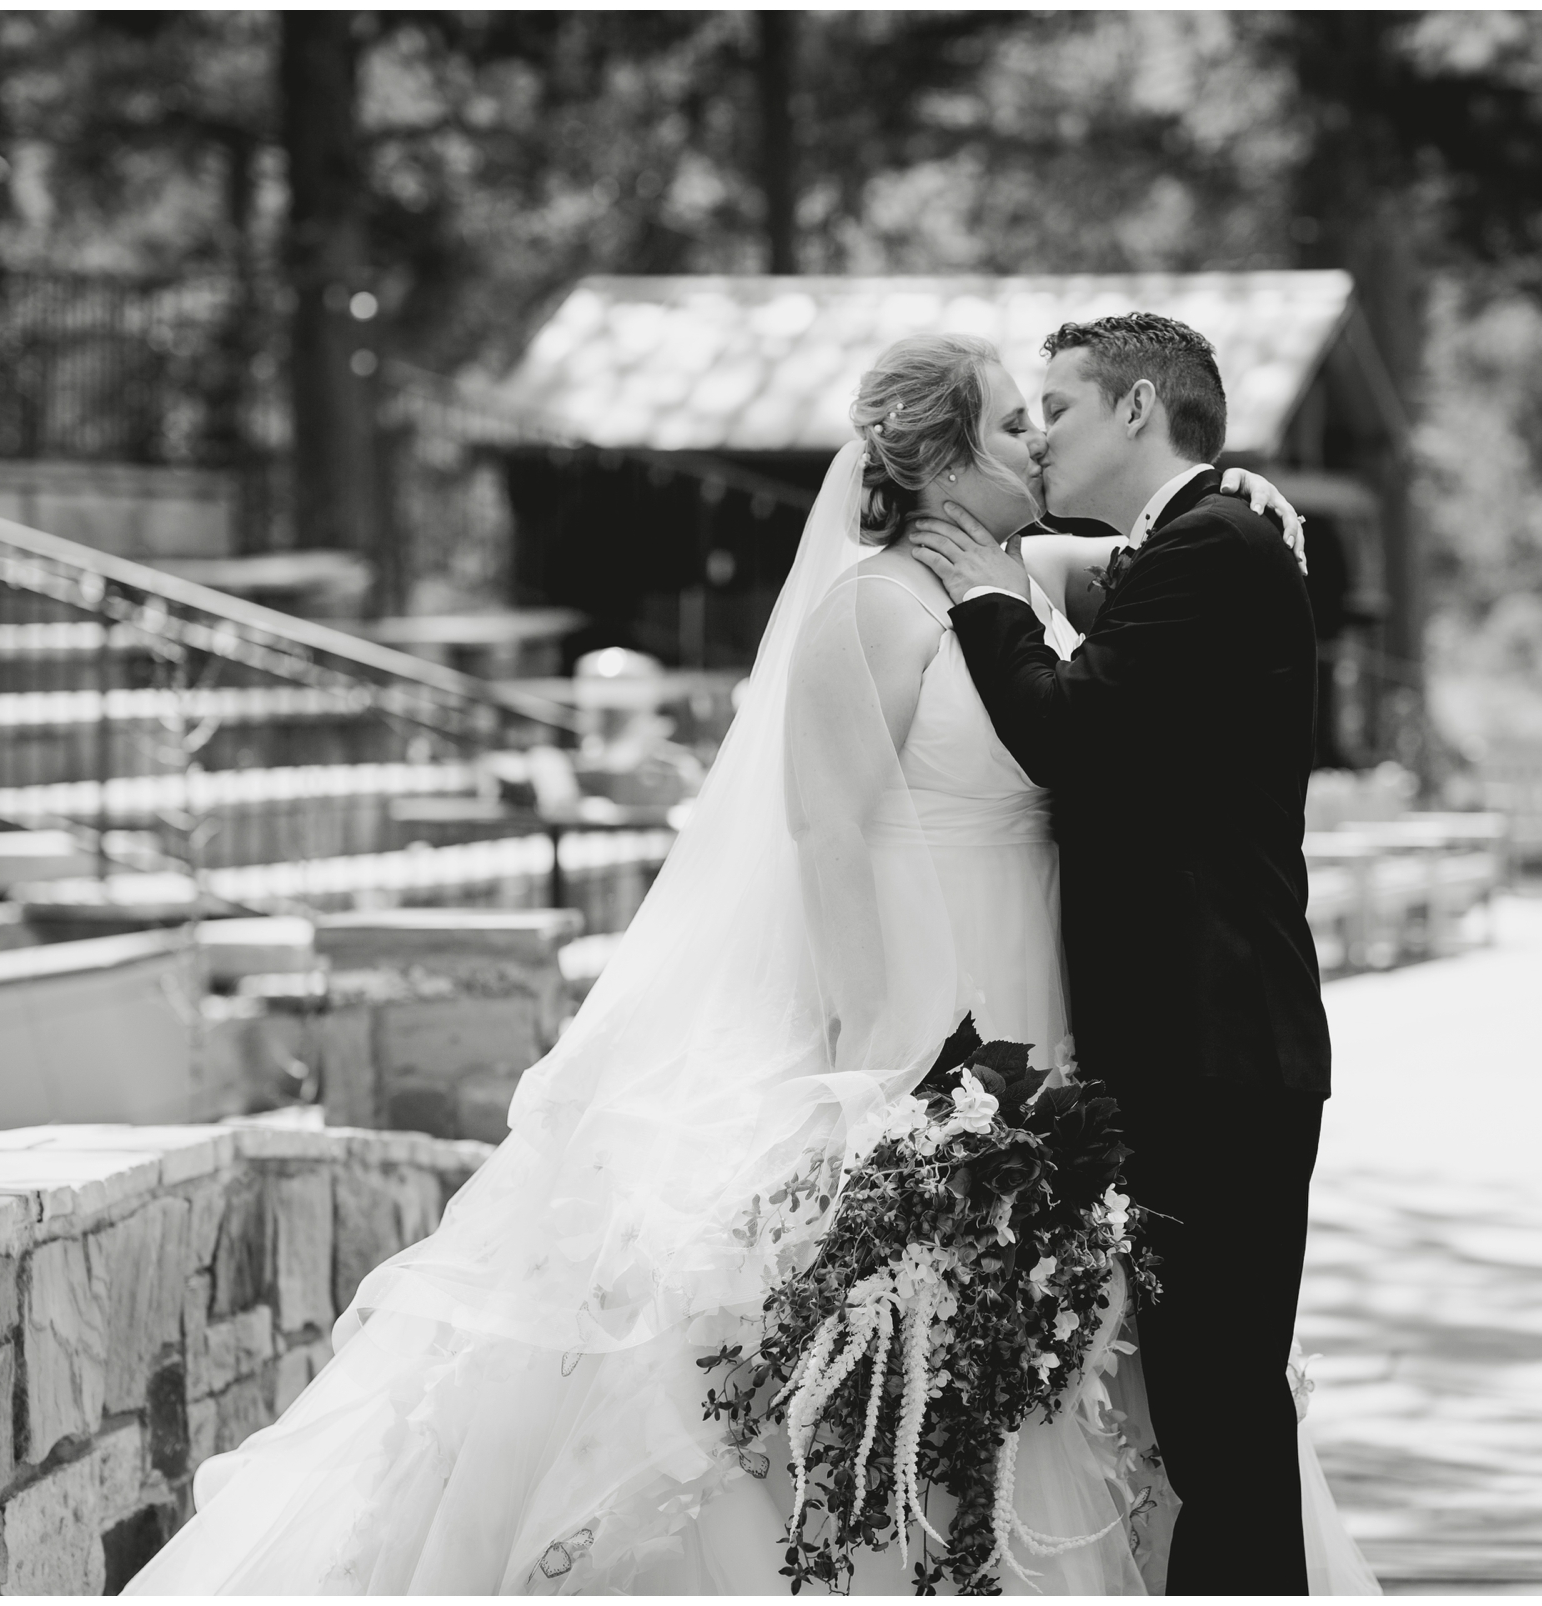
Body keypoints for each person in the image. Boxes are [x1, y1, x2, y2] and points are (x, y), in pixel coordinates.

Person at [125, 332, 1375, 1595]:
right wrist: (889, 1048)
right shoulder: (877, 605)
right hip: (940, 1016)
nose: (1037, 442)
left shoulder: (1041, 573)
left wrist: (1232, 490)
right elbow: (827, 832)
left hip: (1068, 1024)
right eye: (1013, 424)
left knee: (1152, 1374)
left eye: (1044, 415)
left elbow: (1127, 599)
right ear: (945, 462)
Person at [909, 313, 1334, 1596]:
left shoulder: (1216, 543)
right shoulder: (1202, 533)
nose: (1040, 435)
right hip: (1189, 1052)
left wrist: (983, 587)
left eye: (1063, 409)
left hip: (1218, 1053)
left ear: (1141, 408)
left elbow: (1068, 730)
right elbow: (1101, 580)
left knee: (1223, 1423)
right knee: (1207, 1415)